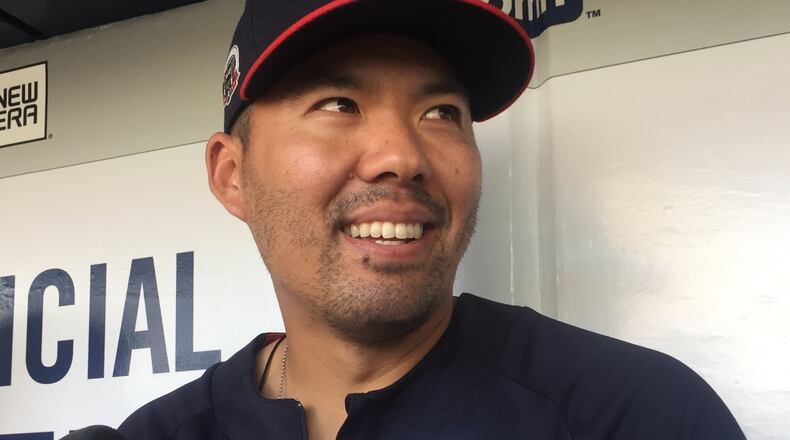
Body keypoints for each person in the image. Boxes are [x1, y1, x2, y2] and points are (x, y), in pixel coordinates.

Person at [118, 1, 746, 439]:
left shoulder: (637, 415)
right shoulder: (153, 436)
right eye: (340, 103)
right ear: (233, 176)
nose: (402, 156)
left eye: (443, 112)